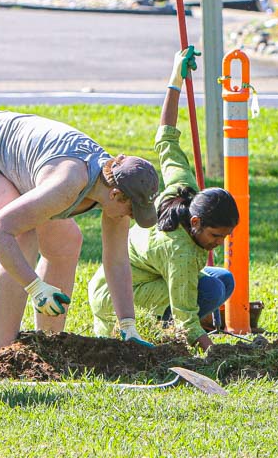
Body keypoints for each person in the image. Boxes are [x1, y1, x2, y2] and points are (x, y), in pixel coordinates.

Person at [0, 109, 160, 354]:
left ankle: (50, 347)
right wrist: (35, 287)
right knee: (23, 237)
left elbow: (117, 261)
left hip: (11, 163)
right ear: (115, 195)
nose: (131, 216)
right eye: (132, 210)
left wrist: (127, 324)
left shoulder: (114, 185)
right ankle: (3, 356)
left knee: (66, 243)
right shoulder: (68, 182)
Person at [88, 47, 238, 352]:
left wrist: (176, 79)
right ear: (195, 221)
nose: (218, 243)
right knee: (208, 288)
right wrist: (217, 353)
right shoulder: (179, 251)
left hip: (138, 276)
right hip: (117, 295)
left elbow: (166, 137)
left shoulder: (182, 189)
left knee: (223, 278)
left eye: (224, 237)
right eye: (215, 235)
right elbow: (187, 319)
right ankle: (154, 330)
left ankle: (164, 317)